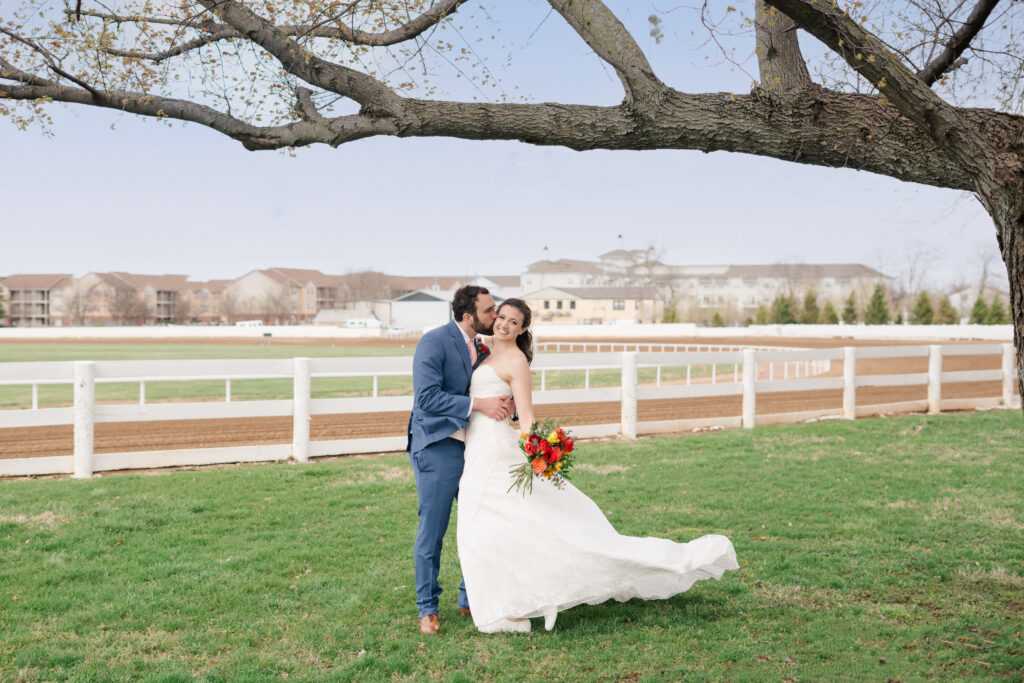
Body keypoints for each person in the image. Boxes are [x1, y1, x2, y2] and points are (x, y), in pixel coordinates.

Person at [457, 299, 739, 633]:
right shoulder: (485, 352)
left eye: (513, 321)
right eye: (501, 317)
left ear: (522, 329)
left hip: (495, 453)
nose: (504, 324)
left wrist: (538, 453)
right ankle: (512, 605)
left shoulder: (517, 361)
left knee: (485, 528)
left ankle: (512, 612)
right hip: (478, 449)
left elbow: (528, 417)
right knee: (492, 529)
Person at [407, 285, 512, 635]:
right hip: (437, 446)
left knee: (478, 523)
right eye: (489, 310)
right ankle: (428, 609)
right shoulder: (434, 342)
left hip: (474, 449)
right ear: (468, 316)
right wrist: (478, 405)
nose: (495, 316)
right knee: (433, 531)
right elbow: (427, 398)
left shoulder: (481, 348)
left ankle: (469, 598)